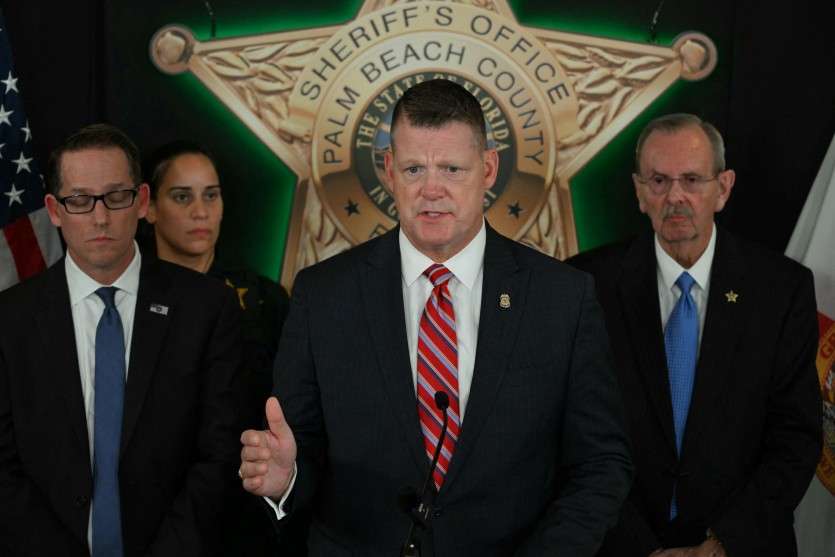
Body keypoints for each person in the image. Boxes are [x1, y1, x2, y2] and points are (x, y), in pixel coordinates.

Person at [239, 78, 632, 556]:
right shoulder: (323, 295)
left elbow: (600, 463)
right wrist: (287, 479)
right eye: (413, 169)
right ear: (389, 170)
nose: (431, 190)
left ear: (488, 169)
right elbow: (302, 447)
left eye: (451, 169)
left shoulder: (561, 297)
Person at [568, 113, 822, 557]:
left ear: (723, 188)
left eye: (691, 180)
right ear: (639, 191)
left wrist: (722, 544)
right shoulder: (584, 286)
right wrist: (640, 548)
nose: (675, 197)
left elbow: (796, 438)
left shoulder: (782, 290)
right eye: (658, 181)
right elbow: (572, 435)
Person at [0, 124, 242, 556]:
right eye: (79, 200)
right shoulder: (10, 319)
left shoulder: (207, 308)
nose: (100, 218)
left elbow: (219, 455)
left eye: (115, 197)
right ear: (54, 210)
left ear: (142, 201)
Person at [142, 141, 293, 554]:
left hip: (243, 513)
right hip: (152, 512)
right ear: (149, 207)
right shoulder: (127, 299)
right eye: (182, 197)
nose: (200, 211)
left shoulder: (264, 300)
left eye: (211, 195)